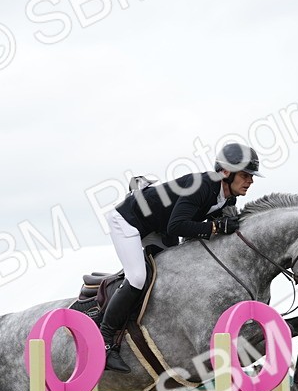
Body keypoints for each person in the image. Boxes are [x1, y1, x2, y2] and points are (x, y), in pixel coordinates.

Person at [100, 142, 262, 372]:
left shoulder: (228, 199)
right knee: (137, 277)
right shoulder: (202, 186)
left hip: (158, 227)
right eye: (245, 175)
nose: (250, 181)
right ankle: (105, 340)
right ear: (226, 172)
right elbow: (177, 226)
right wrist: (215, 227)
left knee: (172, 275)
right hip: (128, 221)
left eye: (251, 176)